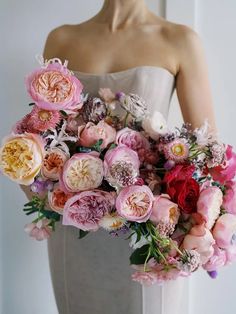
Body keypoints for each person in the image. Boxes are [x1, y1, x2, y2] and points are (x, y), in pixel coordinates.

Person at [21, 0, 218, 313]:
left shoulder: (178, 40)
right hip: (75, 226)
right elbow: (40, 135)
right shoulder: (61, 39)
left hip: (147, 233)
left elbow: (206, 153)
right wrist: (34, 177)